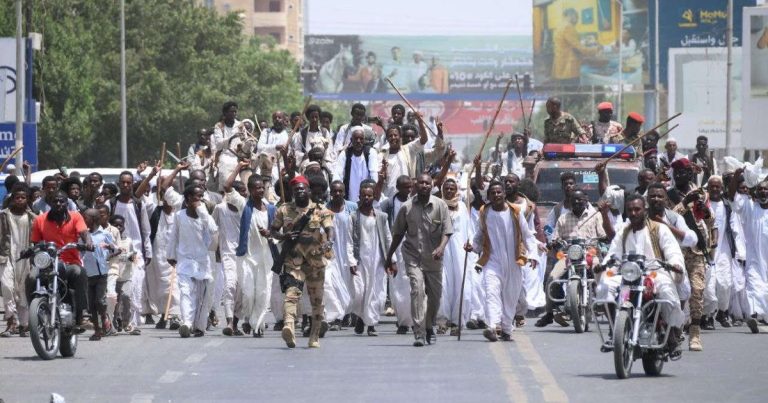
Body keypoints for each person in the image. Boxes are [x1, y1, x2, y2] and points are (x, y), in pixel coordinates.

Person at [595, 194, 686, 355]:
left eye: (637, 209)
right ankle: (614, 329)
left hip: (654, 274)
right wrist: (604, 265)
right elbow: (613, 254)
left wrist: (675, 264)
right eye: (630, 210)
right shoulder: (623, 232)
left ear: (645, 210)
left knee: (667, 293)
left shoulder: (659, 229)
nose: (633, 213)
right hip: (628, 276)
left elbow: (672, 251)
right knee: (605, 285)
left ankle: (671, 335)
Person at [465, 181, 539, 341]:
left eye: (499, 192)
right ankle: (492, 326)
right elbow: (479, 235)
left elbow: (527, 236)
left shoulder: (515, 212)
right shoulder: (484, 212)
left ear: (504, 194)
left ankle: (506, 328)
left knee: (510, 297)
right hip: (492, 261)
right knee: (491, 292)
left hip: (514, 261)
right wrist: (472, 246)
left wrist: (533, 255)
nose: (496, 195)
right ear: (489, 196)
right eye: (493, 193)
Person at [385, 173, 453, 347]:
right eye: (421, 183)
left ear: (432, 186)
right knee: (417, 289)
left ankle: (429, 326)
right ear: (415, 186)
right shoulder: (406, 207)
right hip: (413, 256)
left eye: (427, 183)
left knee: (435, 296)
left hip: (434, 258)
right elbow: (398, 233)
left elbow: (447, 231)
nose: (424, 185)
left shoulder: (441, 206)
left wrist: (441, 247)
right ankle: (419, 332)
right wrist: (389, 256)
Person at [269, 175, 335, 348]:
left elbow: (329, 228)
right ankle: (289, 326)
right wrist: (284, 236)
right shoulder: (284, 210)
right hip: (293, 259)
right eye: (296, 189)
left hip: (315, 261)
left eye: (302, 188)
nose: (299, 191)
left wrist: (329, 241)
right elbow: (273, 231)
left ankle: (314, 335)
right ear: (292, 192)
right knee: (291, 294)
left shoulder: (320, 209)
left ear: (308, 191)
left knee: (317, 300)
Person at [536, 189, 607, 327]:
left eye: (580, 199)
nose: (577, 202)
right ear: (570, 202)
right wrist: (554, 243)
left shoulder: (595, 216)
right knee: (552, 277)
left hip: (589, 254)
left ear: (586, 201)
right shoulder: (563, 218)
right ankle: (549, 313)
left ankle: (602, 302)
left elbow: (602, 234)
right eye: (574, 200)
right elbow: (555, 237)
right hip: (568, 255)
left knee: (600, 274)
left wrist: (603, 238)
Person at [27, 190, 93, 333]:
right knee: (31, 277)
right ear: (50, 203)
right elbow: (35, 243)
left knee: (79, 272)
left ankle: (82, 315)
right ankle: (32, 313)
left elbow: (84, 233)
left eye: (61, 201)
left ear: (66, 203)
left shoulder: (75, 216)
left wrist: (88, 242)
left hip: (69, 262)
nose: (58, 203)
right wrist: (31, 251)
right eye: (55, 201)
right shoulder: (40, 220)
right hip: (47, 264)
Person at [224, 162, 276, 338]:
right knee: (248, 293)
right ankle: (250, 318)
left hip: (265, 259)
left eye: (262, 187)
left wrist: (269, 233)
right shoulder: (243, 205)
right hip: (246, 257)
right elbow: (227, 186)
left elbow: (277, 232)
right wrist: (238, 168)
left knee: (263, 293)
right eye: (256, 188)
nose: (260, 190)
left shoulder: (271, 209)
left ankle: (257, 325)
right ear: (250, 190)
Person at [166, 184, 219, 338]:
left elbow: (213, 229)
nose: (201, 199)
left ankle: (199, 326)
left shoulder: (204, 215)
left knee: (202, 297)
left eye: (202, 196)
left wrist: (202, 211)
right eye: (198, 196)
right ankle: (187, 323)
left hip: (202, 262)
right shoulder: (179, 216)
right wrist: (171, 255)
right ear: (189, 198)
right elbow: (174, 236)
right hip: (185, 260)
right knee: (185, 292)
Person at [346, 181, 395, 336]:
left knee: (376, 292)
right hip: (360, 260)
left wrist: (391, 260)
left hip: (378, 259)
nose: (366, 198)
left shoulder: (381, 216)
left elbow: (388, 238)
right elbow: (349, 240)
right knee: (360, 292)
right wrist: (351, 261)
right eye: (364, 195)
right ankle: (361, 317)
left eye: (369, 195)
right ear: (359, 197)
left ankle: (371, 324)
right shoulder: (353, 217)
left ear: (374, 197)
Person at [674, 189, 715, 351]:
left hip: (697, 252)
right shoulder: (669, 194)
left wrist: (705, 211)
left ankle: (695, 334)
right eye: (678, 175)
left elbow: (711, 221)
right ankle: (675, 330)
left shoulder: (701, 193)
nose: (681, 176)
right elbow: (667, 217)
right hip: (676, 251)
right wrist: (684, 202)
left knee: (697, 291)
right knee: (676, 293)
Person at [112, 171, 154, 325]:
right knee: (119, 287)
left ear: (132, 184)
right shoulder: (112, 203)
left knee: (136, 284)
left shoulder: (138, 204)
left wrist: (148, 251)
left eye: (128, 182)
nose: (125, 185)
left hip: (136, 252)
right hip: (116, 252)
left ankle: (133, 321)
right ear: (118, 184)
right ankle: (118, 318)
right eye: (123, 182)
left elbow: (146, 230)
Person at [729, 171, 768, 334]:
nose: (763, 192)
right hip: (754, 259)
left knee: (765, 291)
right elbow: (732, 197)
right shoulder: (750, 207)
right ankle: (752, 315)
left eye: (766, 189)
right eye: (760, 189)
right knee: (753, 286)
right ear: (755, 191)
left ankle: (763, 316)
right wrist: (736, 176)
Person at [703, 176, 743, 329]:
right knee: (708, 285)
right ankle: (707, 316)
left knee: (725, 283)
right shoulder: (703, 204)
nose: (714, 189)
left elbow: (734, 227)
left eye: (717, 186)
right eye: (712, 186)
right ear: (708, 188)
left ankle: (722, 312)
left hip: (723, 248)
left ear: (721, 188)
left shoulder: (726, 205)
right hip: (706, 250)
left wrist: (738, 249)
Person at [436, 176, 475, 336]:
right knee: (443, 285)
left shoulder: (462, 207)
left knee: (461, 283)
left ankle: (457, 321)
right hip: (443, 249)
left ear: (456, 190)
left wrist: (470, 244)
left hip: (459, 249)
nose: (449, 191)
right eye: (446, 188)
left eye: (452, 188)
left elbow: (468, 228)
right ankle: (442, 320)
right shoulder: (438, 205)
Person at [378, 175, 414, 334]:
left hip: (412, 248)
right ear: (398, 188)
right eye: (405, 187)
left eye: (410, 186)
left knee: (412, 284)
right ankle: (403, 322)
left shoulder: (415, 202)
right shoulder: (388, 205)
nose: (409, 190)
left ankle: (414, 320)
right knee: (397, 287)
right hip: (394, 248)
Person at [0, 183, 36, 337]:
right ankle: (10, 321)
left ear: (27, 199)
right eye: (17, 197)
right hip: (6, 256)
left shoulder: (33, 217)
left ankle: (24, 324)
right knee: (7, 286)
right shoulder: (3, 215)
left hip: (26, 257)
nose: (20, 200)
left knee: (23, 290)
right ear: (12, 198)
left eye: (23, 197)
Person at [82, 209, 119, 340]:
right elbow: (80, 251)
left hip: (101, 273)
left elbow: (116, 249)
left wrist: (109, 247)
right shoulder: (83, 235)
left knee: (100, 301)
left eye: (86, 218)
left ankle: (104, 317)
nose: (84, 220)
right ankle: (97, 330)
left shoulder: (104, 234)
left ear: (94, 220)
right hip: (88, 273)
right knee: (91, 304)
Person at [325, 180, 355, 331]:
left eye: (340, 191)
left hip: (348, 253)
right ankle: (337, 317)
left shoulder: (352, 208)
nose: (337, 193)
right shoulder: (324, 209)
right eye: (334, 191)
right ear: (330, 192)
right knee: (334, 285)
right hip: (331, 254)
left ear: (344, 192)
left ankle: (348, 312)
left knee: (348, 285)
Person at [551, 8, 599, 87]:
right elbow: (579, 48)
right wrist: (596, 49)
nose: (577, 20)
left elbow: (567, 45)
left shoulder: (559, 26)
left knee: (565, 90)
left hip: (561, 66)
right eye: (577, 17)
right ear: (572, 15)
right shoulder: (568, 27)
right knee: (573, 91)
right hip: (569, 69)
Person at [334, 128, 379, 202]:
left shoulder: (370, 152)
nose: (358, 141)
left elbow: (374, 174)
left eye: (361, 139)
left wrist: (374, 192)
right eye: (356, 138)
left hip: (367, 196)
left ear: (364, 140)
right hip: (349, 197)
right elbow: (338, 174)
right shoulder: (345, 154)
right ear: (351, 140)